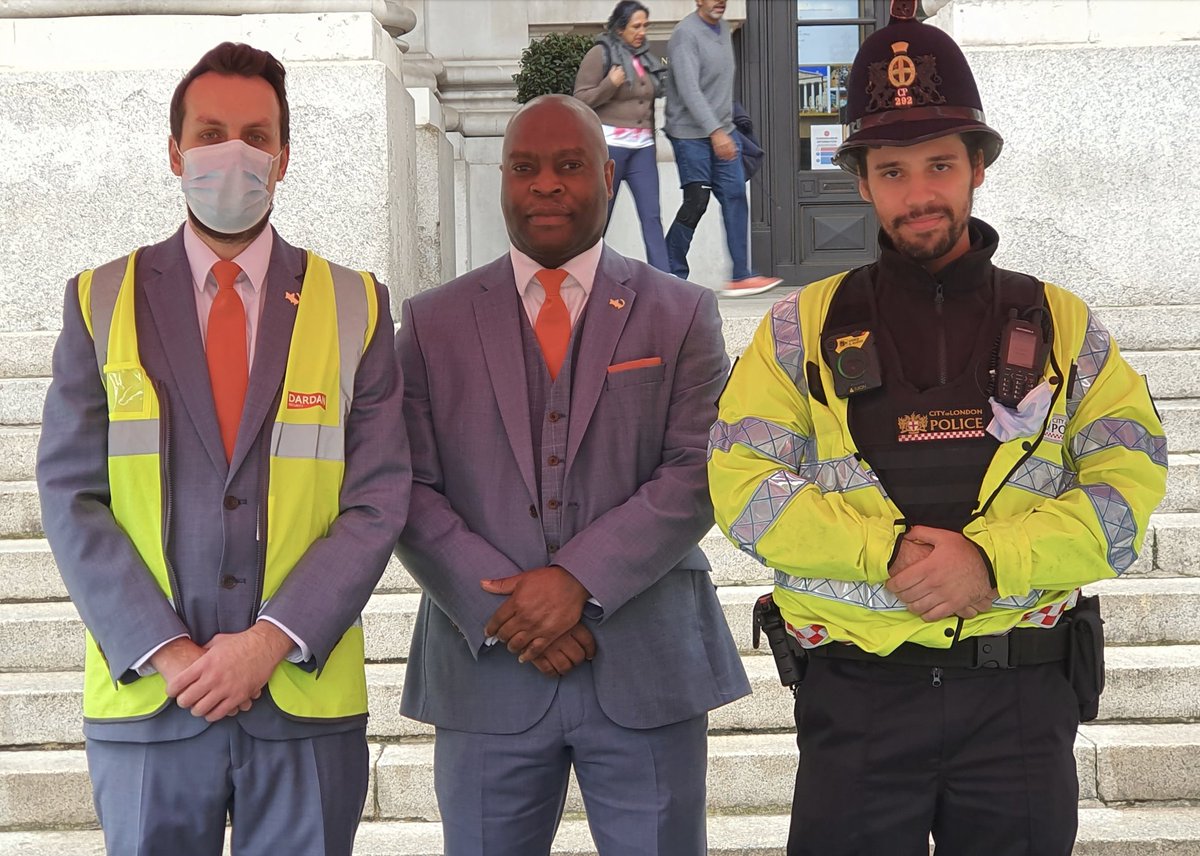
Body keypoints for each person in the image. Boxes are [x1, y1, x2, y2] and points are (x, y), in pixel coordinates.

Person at [707, 3, 1167, 855]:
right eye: (892, 170)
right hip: (857, 700)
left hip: (1019, 702)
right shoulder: (797, 330)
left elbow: (1126, 492)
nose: (918, 194)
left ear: (978, 167)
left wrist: (989, 562)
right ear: (861, 179)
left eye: (941, 164)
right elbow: (742, 490)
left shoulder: (1063, 325)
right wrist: (884, 552)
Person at [36, 42, 410, 855]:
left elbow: (379, 498)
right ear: (175, 152)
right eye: (209, 134)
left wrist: (270, 640)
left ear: (283, 158)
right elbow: (70, 496)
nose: (232, 153)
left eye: (254, 135)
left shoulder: (356, 303)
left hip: (302, 698)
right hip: (150, 698)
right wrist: (170, 652)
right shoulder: (101, 299)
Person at [395, 94, 749, 856]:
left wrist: (575, 583)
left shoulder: (682, 314)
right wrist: (510, 609)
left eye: (569, 165)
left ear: (609, 178)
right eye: (525, 167)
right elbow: (408, 487)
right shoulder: (430, 324)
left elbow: (698, 471)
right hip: (486, 668)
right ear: (502, 180)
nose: (546, 184)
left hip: (647, 666)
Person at [664, 0, 782, 297]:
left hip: (724, 131)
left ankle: (741, 275)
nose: (720, 1)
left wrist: (726, 127)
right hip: (690, 135)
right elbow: (690, 90)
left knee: (735, 197)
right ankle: (669, 272)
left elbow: (721, 88)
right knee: (697, 201)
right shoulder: (685, 34)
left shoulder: (724, 29)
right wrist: (715, 131)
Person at [573, 0, 670, 272]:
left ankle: (664, 280)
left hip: (643, 149)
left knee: (652, 217)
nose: (642, 32)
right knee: (601, 218)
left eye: (645, 26)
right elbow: (579, 100)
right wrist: (609, 84)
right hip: (610, 149)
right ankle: (581, 272)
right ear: (619, 29)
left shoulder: (646, 58)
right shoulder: (600, 53)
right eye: (636, 26)